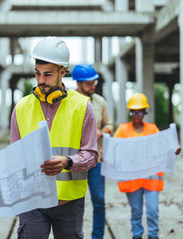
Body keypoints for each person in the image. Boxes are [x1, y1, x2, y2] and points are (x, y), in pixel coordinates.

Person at [10, 36, 98, 239]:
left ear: (62, 72)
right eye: (37, 73)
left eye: (48, 74)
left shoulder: (83, 106)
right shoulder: (22, 107)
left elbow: (92, 155)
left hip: (69, 201)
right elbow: (14, 156)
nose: (41, 80)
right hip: (32, 200)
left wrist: (68, 162)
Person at [113, 92, 181, 239]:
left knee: (152, 210)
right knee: (136, 211)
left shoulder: (152, 129)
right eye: (133, 112)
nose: (136, 115)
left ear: (144, 112)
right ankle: (136, 236)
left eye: (139, 112)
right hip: (132, 179)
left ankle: (153, 235)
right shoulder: (123, 130)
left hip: (151, 178)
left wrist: (173, 150)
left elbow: (163, 148)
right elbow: (113, 149)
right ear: (130, 112)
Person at [72, 64, 113, 239]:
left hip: (97, 160)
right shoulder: (69, 101)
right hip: (75, 161)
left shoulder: (100, 101)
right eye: (88, 83)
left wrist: (101, 132)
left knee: (99, 201)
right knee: (74, 203)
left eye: (94, 82)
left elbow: (110, 125)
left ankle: (98, 236)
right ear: (78, 83)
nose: (93, 86)